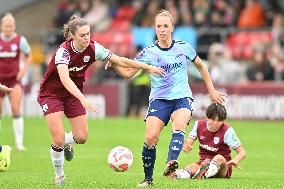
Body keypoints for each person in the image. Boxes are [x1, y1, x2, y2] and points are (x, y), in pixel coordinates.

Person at [37, 15, 165, 186]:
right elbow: (65, 79)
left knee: (81, 137)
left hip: (73, 95)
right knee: (58, 138)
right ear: (72, 36)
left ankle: (67, 143)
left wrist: (148, 67)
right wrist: (83, 99)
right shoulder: (63, 52)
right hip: (51, 94)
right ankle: (59, 176)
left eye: (88, 34)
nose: (86, 38)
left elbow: (119, 60)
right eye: (82, 35)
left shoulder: (94, 48)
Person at [106, 10, 226, 187]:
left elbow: (201, 66)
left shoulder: (183, 46)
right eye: (158, 26)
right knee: (151, 137)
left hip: (182, 97)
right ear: (155, 29)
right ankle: (148, 180)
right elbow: (128, 74)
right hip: (159, 99)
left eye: (165, 26)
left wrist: (212, 91)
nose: (162, 29)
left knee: (179, 126)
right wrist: (115, 65)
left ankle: (171, 163)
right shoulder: (149, 52)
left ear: (172, 28)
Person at [173, 103, 246, 179]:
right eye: (212, 119)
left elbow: (242, 152)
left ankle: (205, 174)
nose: (215, 124)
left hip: (223, 167)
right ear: (207, 117)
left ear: (223, 120)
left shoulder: (227, 130)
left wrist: (236, 160)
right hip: (204, 162)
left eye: (219, 121)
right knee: (191, 167)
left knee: (219, 157)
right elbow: (187, 145)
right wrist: (186, 148)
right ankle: (177, 175)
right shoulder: (198, 125)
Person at [0, 13, 32, 151]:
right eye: (6, 26)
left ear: (14, 26)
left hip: (14, 80)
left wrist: (22, 72)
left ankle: (19, 143)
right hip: (0, 81)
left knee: (16, 109)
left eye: (10, 26)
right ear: (2, 26)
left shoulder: (20, 40)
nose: (8, 28)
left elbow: (29, 56)